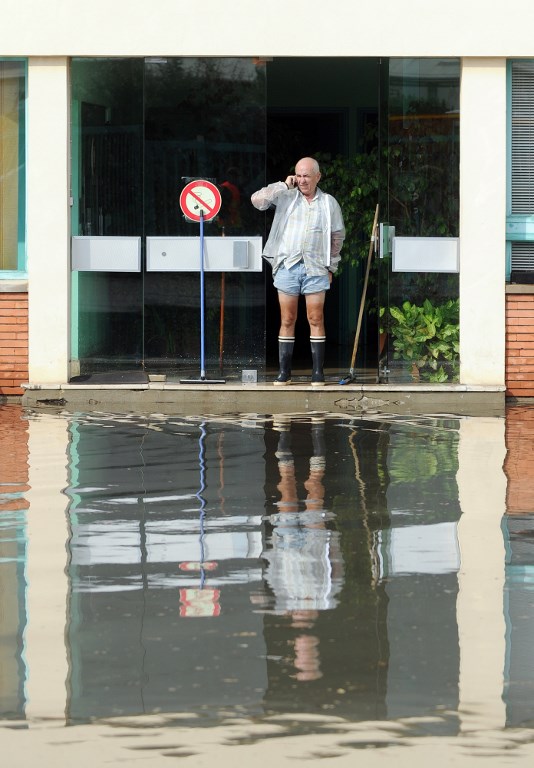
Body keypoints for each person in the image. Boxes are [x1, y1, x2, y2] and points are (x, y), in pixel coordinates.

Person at [251, 157, 345, 386]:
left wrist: (331, 266)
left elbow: (337, 236)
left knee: (315, 317)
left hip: (315, 267)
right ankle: (284, 372)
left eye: (307, 176)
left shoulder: (328, 202)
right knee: (288, 318)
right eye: (299, 175)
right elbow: (258, 200)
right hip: (287, 265)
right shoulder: (286, 196)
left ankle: (317, 372)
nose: (302, 180)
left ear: (317, 177)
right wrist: (284, 184)